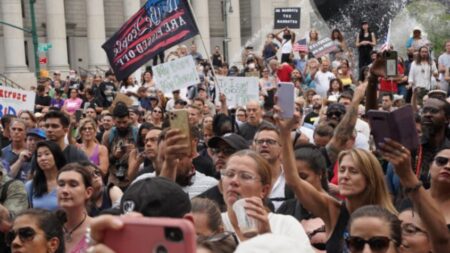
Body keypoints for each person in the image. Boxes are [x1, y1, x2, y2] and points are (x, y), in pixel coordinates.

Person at [275, 102, 396, 252]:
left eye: (353, 171)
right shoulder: (334, 211)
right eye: (343, 170)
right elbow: (294, 181)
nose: (344, 176)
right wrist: (285, 132)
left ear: (370, 178)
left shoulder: (390, 219)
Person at [219, 149, 313, 250]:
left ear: (264, 190)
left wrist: (267, 236)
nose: (234, 181)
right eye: (229, 174)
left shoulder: (285, 225)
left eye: (245, 176)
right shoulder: (211, 223)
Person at [379, 139, 450, 252]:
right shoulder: (409, 201)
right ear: (430, 166)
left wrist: (407, 176)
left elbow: (442, 240)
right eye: (441, 161)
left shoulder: (414, 192)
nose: (447, 166)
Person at [56, 163, 96, 253]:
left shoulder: (97, 230)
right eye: (61, 184)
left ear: (88, 192)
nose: (65, 190)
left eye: (73, 185)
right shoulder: (45, 228)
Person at [25, 141, 67, 210]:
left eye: (47, 154)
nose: (43, 158)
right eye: (39, 155)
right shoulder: (31, 186)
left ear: (56, 156)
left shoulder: (67, 182)